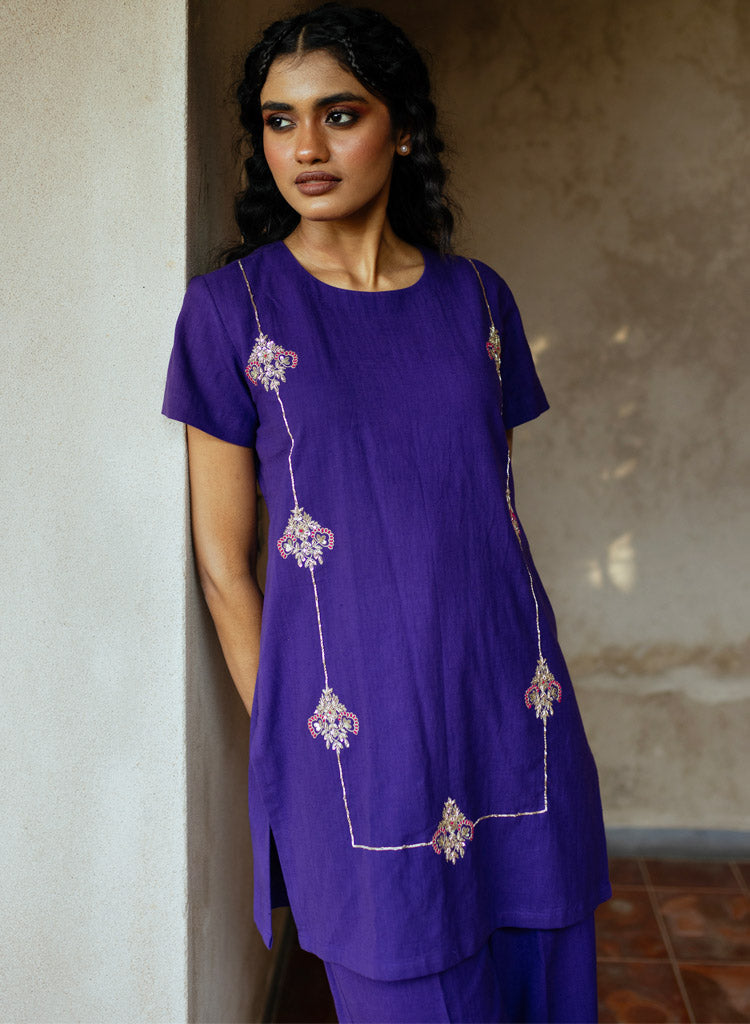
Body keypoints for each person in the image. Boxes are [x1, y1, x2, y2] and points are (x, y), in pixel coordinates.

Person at [162, 4, 611, 1021]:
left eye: (339, 114)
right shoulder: (232, 313)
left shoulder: (480, 301)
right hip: (357, 738)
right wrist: (296, 733)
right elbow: (225, 566)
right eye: (279, 120)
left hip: (514, 711)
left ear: (401, 127)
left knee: (544, 987)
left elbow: (477, 512)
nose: (305, 148)